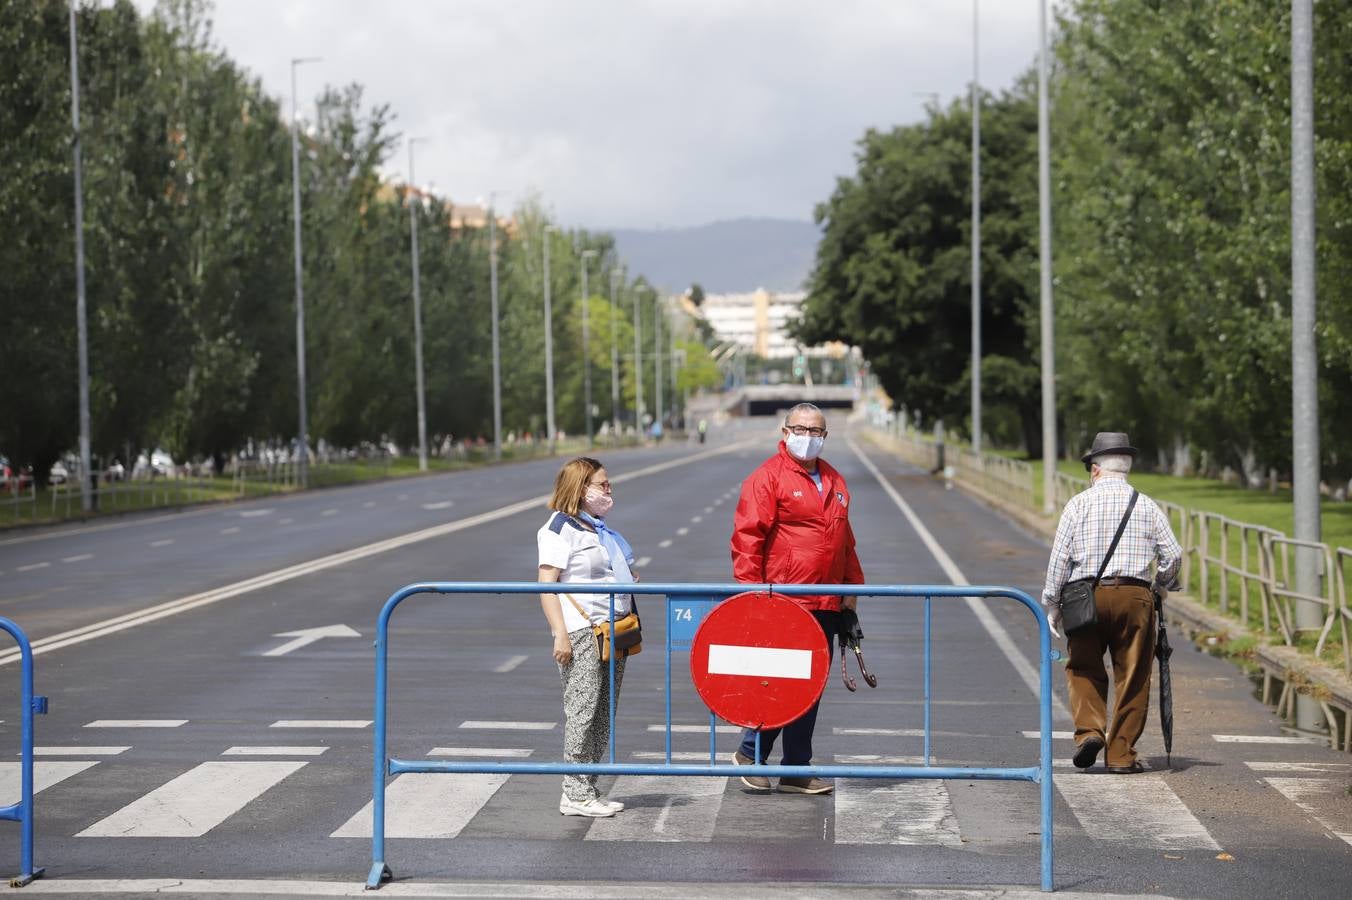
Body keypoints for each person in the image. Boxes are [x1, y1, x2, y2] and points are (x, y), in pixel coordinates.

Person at [728, 403, 864, 794]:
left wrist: (851, 588)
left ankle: (795, 767)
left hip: (826, 600)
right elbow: (747, 539)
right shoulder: (767, 478)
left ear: (825, 436)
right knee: (778, 684)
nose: (808, 436)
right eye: (801, 429)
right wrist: (751, 594)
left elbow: (844, 541)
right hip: (783, 601)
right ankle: (751, 753)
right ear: (785, 431)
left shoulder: (835, 480)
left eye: (816, 431)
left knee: (810, 687)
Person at [1041, 432, 1183, 774]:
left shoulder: (1078, 504)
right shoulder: (1147, 505)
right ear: (1128, 466)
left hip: (1085, 596)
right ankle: (1120, 754)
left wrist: (1052, 602)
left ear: (1094, 469)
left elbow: (1060, 558)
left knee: (1083, 666)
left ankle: (1090, 732)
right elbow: (1173, 555)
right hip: (1135, 597)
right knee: (1133, 675)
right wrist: (1162, 584)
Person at [538, 457, 638, 817]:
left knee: (603, 712)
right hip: (582, 631)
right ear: (581, 489)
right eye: (602, 485)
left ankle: (587, 786)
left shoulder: (597, 528)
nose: (609, 490)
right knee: (582, 709)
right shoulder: (559, 528)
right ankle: (573, 792)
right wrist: (559, 634)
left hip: (614, 630)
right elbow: (547, 586)